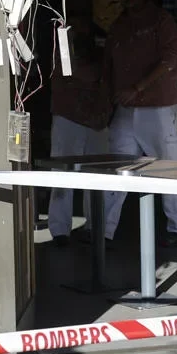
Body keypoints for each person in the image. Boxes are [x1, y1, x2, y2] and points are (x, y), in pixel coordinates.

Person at [102, 0, 177, 246]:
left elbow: (170, 59)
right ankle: (103, 230)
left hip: (157, 105)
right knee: (118, 166)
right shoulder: (119, 25)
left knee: (168, 166)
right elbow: (109, 66)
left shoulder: (161, 20)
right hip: (126, 107)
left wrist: (138, 88)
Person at [47, 18, 112, 244]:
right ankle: (59, 230)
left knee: (97, 177)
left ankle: (95, 227)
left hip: (96, 118)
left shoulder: (97, 49)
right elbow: (85, 75)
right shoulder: (64, 48)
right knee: (63, 175)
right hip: (70, 116)